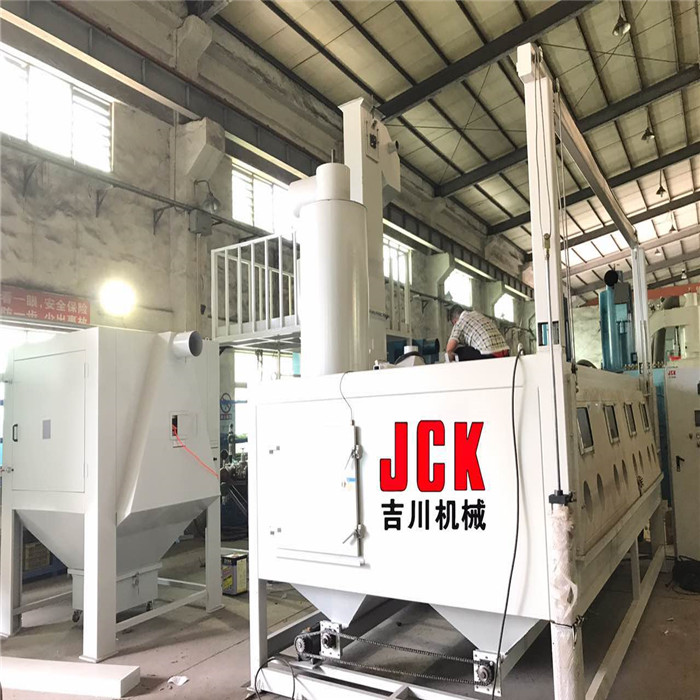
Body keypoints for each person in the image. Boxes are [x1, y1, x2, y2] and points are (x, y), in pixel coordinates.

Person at [445, 305, 510, 362]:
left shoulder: (459, 322)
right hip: (505, 352)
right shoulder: (477, 314)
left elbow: (449, 350)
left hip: (489, 354)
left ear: (454, 321)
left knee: (458, 352)